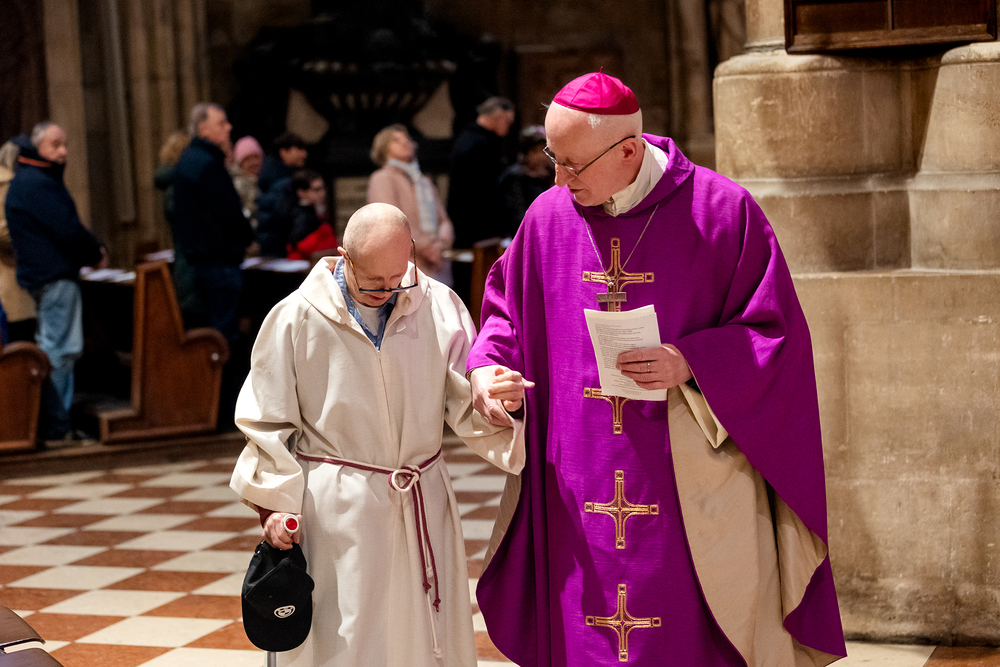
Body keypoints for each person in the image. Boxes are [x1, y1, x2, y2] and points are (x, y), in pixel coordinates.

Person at [466, 71, 846, 666]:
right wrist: (489, 371)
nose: (559, 178)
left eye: (573, 164)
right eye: (554, 159)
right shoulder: (547, 218)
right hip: (575, 476)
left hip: (685, 478)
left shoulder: (721, 213)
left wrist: (690, 360)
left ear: (627, 150)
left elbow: (774, 335)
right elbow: (505, 315)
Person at [229, 202, 530, 666]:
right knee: (346, 639)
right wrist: (273, 503)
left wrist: (497, 399)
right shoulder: (295, 317)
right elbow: (266, 419)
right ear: (344, 257)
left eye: (397, 278)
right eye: (373, 282)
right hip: (338, 510)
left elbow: (466, 394)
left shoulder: (439, 305)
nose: (387, 291)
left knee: (421, 635)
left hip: (421, 496)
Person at [5, 122, 107, 440]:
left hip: (43, 277)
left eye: (64, 144)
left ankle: (55, 420)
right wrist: (94, 252)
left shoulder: (28, 178)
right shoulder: (37, 183)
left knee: (55, 347)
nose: (63, 152)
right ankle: (57, 424)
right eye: (55, 145)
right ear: (37, 148)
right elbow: (67, 229)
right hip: (54, 277)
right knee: (60, 351)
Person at [172, 102, 253, 348]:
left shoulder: (188, 160)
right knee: (222, 339)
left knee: (207, 335)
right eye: (221, 123)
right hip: (218, 262)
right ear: (203, 128)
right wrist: (247, 236)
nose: (228, 127)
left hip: (198, 261)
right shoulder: (207, 164)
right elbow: (228, 212)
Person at [447, 96, 515, 305]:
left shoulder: (478, 140)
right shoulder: (476, 144)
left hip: (479, 227)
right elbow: (481, 194)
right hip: (475, 229)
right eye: (507, 121)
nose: (508, 128)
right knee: (475, 289)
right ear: (497, 115)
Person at [367, 124, 454, 285]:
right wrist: (425, 246)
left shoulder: (423, 180)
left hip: (437, 261)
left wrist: (441, 244)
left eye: (406, 138)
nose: (405, 142)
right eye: (396, 140)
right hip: (406, 264)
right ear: (383, 148)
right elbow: (390, 222)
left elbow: (444, 220)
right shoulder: (381, 178)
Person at [153, 130, 205, 327]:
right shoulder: (178, 188)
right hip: (190, 262)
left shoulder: (174, 185)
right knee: (195, 318)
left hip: (186, 259)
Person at [0, 140, 37, 343]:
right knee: (19, 342)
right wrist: (33, 239)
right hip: (11, 273)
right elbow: (4, 230)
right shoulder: (6, 184)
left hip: (16, 276)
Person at [496, 125, 554, 238]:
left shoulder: (553, 174)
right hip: (527, 235)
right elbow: (518, 215)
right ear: (526, 153)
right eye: (535, 151)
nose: (541, 156)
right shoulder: (516, 177)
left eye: (544, 150)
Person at [257, 132, 309, 257]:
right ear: (283, 152)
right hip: (280, 250)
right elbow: (283, 215)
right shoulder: (282, 182)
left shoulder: (274, 175)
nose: (304, 154)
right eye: (299, 149)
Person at [285, 169, 337, 262]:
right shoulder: (300, 216)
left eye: (323, 188)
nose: (322, 193)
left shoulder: (317, 211)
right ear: (301, 192)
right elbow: (300, 246)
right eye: (317, 190)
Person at [230, 135, 264, 232]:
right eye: (248, 159)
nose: (254, 162)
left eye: (256, 157)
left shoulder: (264, 181)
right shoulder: (237, 185)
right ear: (240, 163)